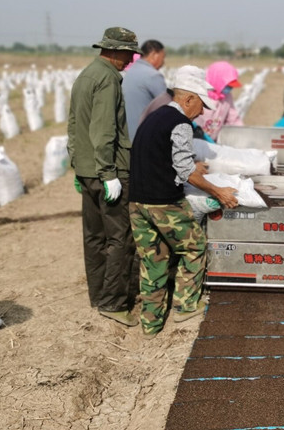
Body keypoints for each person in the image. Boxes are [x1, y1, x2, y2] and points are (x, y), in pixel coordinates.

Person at [129, 66, 239, 338]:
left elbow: (159, 157)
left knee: (153, 259)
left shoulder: (153, 118)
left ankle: (151, 324)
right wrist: (218, 192)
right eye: (201, 105)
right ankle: (185, 306)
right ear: (189, 98)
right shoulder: (180, 123)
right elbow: (186, 172)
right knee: (194, 246)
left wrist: (190, 167)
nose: (202, 112)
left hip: (137, 202)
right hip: (164, 203)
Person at [67, 26, 141, 327]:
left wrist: (78, 165)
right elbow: (103, 130)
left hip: (88, 171)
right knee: (120, 238)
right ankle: (114, 302)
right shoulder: (108, 79)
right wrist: (109, 173)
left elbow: (74, 126)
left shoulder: (86, 75)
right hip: (108, 171)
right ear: (115, 51)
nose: (130, 60)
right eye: (128, 54)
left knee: (94, 236)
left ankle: (98, 295)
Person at [122, 39, 167, 140]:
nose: (163, 62)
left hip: (127, 135)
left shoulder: (130, 72)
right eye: (162, 57)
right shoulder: (153, 76)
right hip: (144, 137)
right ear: (154, 54)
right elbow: (168, 109)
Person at [195, 60, 244, 141]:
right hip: (195, 140)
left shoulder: (227, 97)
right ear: (217, 81)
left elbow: (233, 119)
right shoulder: (199, 95)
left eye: (231, 86)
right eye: (228, 86)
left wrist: (242, 133)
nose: (230, 88)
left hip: (212, 141)